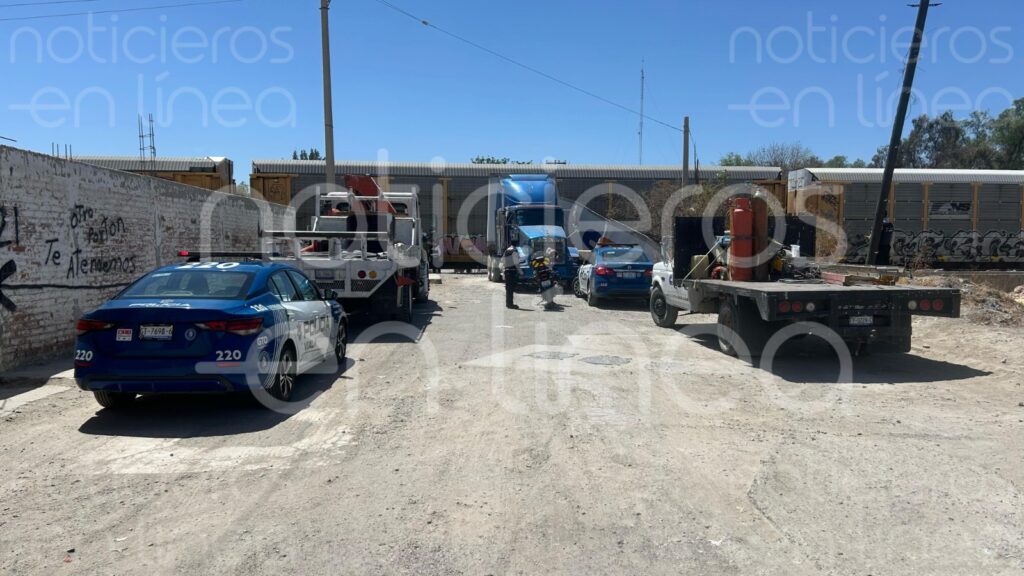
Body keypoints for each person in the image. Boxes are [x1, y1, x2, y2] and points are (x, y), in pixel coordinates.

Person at [503, 239, 521, 309]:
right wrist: (521, 272)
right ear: (517, 244)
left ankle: (508, 303)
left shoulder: (507, 250)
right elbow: (516, 263)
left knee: (508, 289)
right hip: (512, 272)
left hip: (507, 271)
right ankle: (510, 304)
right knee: (511, 288)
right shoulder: (514, 251)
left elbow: (503, 260)